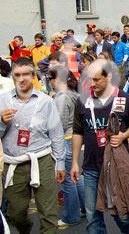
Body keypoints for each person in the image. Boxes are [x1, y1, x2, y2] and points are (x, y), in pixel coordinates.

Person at [71, 59, 129, 234]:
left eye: (96, 80)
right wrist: (74, 162)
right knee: (92, 216)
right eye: (90, 80)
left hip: (115, 166)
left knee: (121, 214)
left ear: (108, 76)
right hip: (91, 166)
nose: (92, 84)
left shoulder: (124, 98)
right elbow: (78, 132)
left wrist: (124, 135)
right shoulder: (83, 100)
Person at [0, 57, 65, 233]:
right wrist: (1, 122)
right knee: (15, 214)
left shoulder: (46, 101)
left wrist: (60, 162)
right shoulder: (2, 100)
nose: (21, 79)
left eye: (26, 74)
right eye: (17, 75)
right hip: (13, 162)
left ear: (34, 75)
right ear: (12, 77)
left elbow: (57, 134)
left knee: (49, 214)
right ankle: (25, 228)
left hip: (42, 160)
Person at [48, 66, 85, 227]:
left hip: (66, 139)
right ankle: (85, 207)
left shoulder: (62, 97)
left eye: (50, 78)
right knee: (76, 176)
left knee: (67, 180)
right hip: (74, 138)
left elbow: (59, 125)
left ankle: (71, 215)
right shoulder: (73, 93)